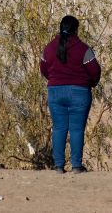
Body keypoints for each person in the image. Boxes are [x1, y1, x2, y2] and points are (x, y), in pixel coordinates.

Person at [40, 16, 101, 174]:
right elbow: (95, 71)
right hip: (79, 92)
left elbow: (44, 69)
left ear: (60, 28)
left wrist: (55, 80)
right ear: (76, 30)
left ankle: (58, 166)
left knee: (59, 128)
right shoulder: (83, 49)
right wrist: (90, 83)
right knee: (77, 129)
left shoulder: (49, 48)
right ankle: (76, 166)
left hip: (55, 91)